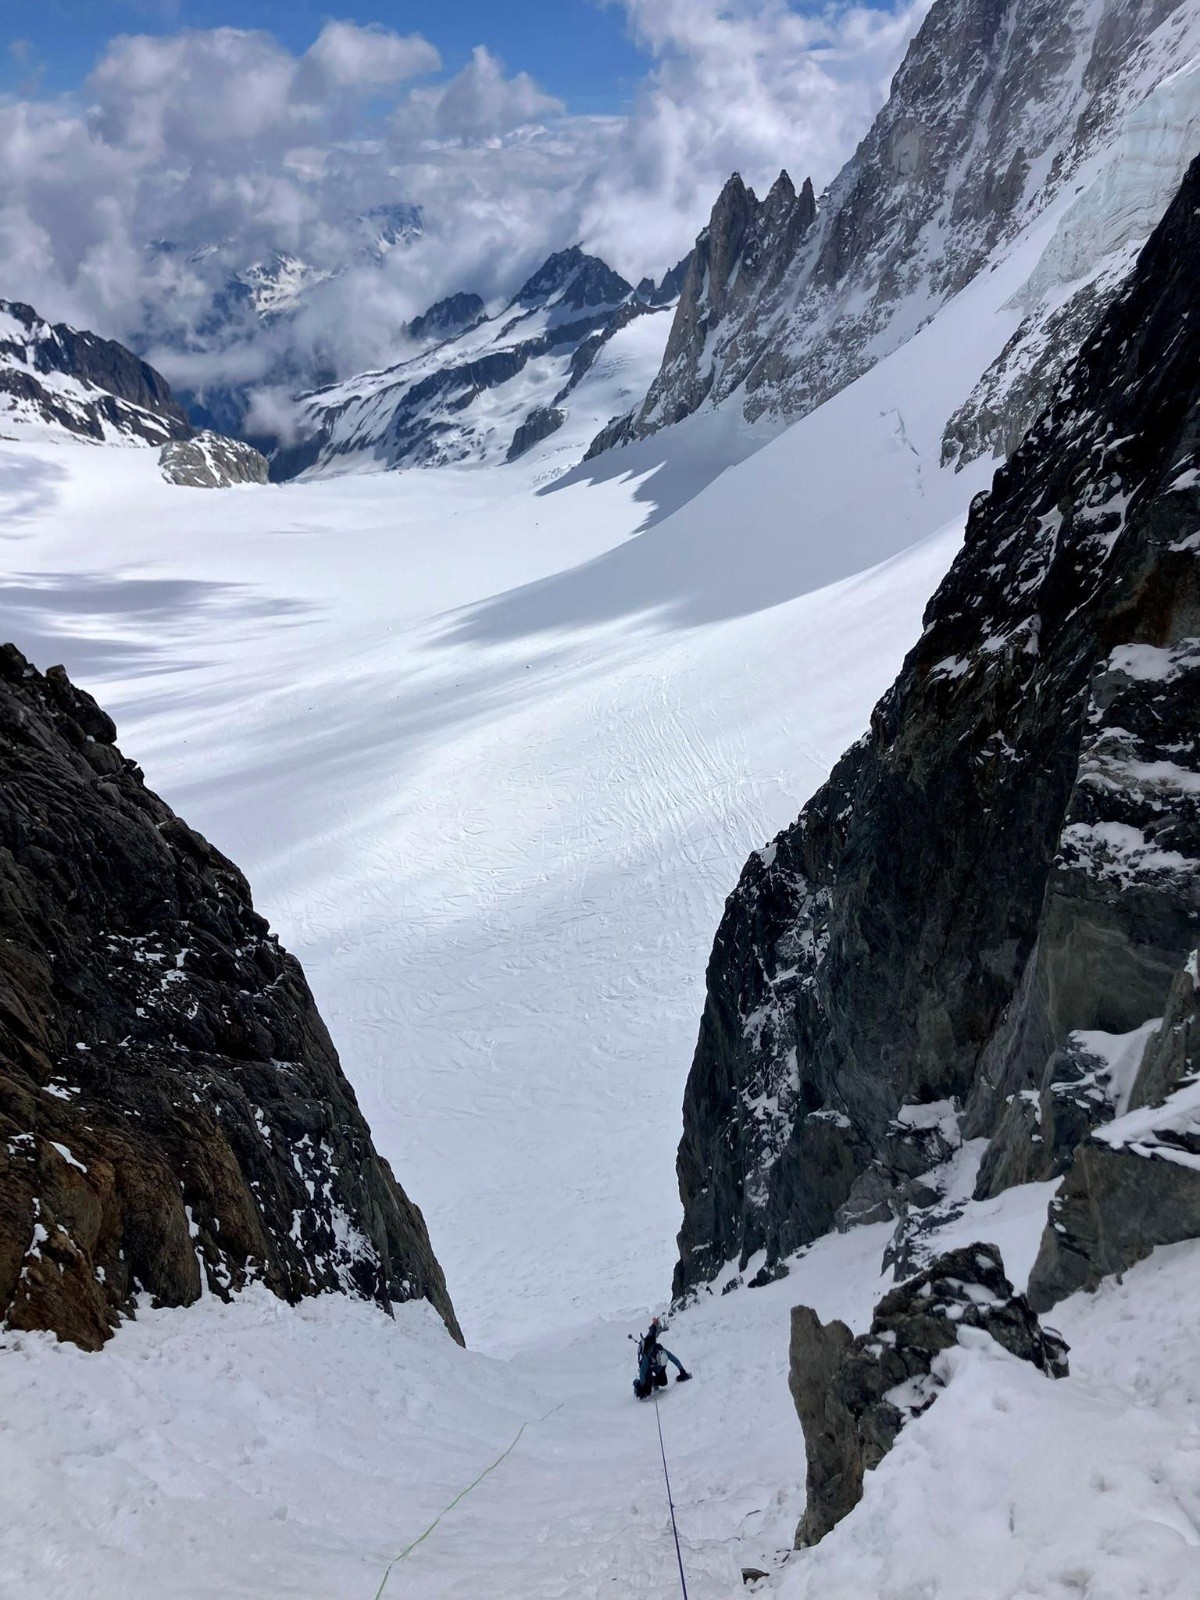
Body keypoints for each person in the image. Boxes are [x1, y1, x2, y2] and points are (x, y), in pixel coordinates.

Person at [634, 1315, 691, 1396]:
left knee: (664, 1382)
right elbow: (643, 1371)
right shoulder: (647, 1357)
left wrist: (682, 1371)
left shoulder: (663, 1352)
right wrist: (643, 1385)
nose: (663, 1366)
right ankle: (637, 1383)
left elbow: (674, 1360)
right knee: (646, 1391)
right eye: (661, 1365)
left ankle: (652, 1382)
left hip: (657, 1368)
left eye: (663, 1365)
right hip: (648, 1369)